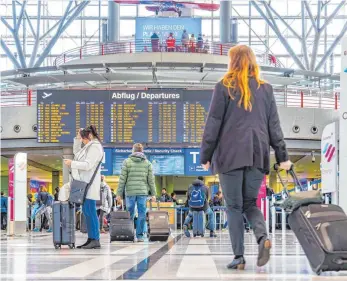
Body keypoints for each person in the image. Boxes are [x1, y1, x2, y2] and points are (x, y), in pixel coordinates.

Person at [200, 45, 292, 270]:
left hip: (230, 155)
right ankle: (263, 238)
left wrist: (206, 154)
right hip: (257, 154)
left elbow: (213, 123)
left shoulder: (224, 87)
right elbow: (274, 127)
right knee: (250, 203)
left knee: (233, 206)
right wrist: (283, 157)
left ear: (232, 62)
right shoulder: (265, 89)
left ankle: (239, 257)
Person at [64, 125, 104, 249]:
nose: (82, 141)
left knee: (90, 212)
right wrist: (77, 139)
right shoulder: (89, 146)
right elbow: (77, 153)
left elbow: (87, 165)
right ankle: (91, 239)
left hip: (89, 185)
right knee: (87, 212)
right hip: (84, 184)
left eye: (83, 138)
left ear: (90, 136)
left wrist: (72, 163)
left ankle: (95, 239)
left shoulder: (95, 147)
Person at [116, 143, 156, 242]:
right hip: (142, 192)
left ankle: (129, 234)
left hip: (130, 192)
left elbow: (122, 179)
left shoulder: (127, 162)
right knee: (142, 213)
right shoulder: (148, 163)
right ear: (142, 151)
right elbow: (151, 180)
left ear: (133, 151)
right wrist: (154, 194)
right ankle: (139, 236)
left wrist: (119, 194)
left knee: (130, 213)